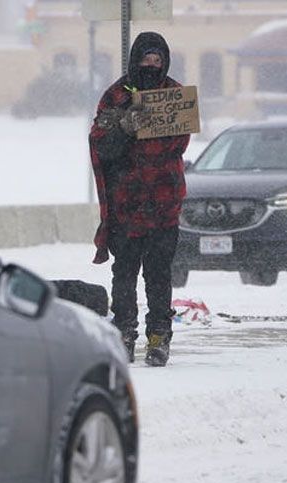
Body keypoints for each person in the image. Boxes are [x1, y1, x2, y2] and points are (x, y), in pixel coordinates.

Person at [88, 32, 190, 367]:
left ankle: (159, 337)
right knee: (125, 272)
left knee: (159, 274)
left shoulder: (174, 96)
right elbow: (101, 143)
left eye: (157, 60)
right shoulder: (115, 96)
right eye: (145, 59)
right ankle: (124, 333)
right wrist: (124, 126)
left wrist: (147, 124)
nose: (151, 65)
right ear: (134, 60)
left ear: (165, 62)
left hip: (163, 204)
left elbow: (177, 144)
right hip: (126, 205)